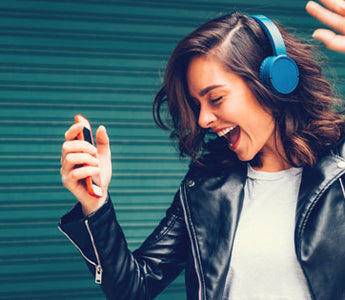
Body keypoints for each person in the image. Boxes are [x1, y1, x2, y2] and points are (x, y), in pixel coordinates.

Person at [59, 1, 345, 299]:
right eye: (198, 104)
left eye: (216, 98)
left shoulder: (340, 166)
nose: (203, 119)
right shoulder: (206, 185)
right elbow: (133, 287)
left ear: (275, 82)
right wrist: (96, 203)